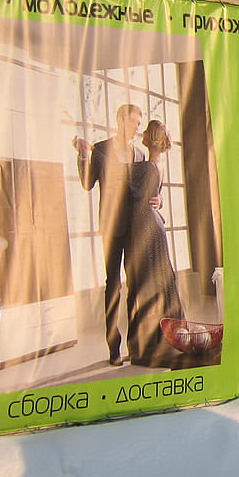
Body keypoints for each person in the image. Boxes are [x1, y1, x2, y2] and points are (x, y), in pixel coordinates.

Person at [74, 104, 145, 366]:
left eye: (139, 123)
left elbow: (146, 189)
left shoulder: (140, 154)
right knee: (113, 285)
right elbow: (87, 183)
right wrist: (83, 155)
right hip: (112, 227)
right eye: (133, 121)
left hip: (136, 227)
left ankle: (135, 346)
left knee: (135, 286)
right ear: (120, 120)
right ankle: (114, 348)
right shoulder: (102, 150)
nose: (137, 127)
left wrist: (157, 199)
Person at [126, 120, 185, 367]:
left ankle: (151, 345)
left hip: (145, 227)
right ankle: (164, 338)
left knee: (148, 284)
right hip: (154, 224)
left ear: (149, 138)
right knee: (159, 280)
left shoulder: (146, 167)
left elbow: (130, 192)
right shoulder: (157, 165)